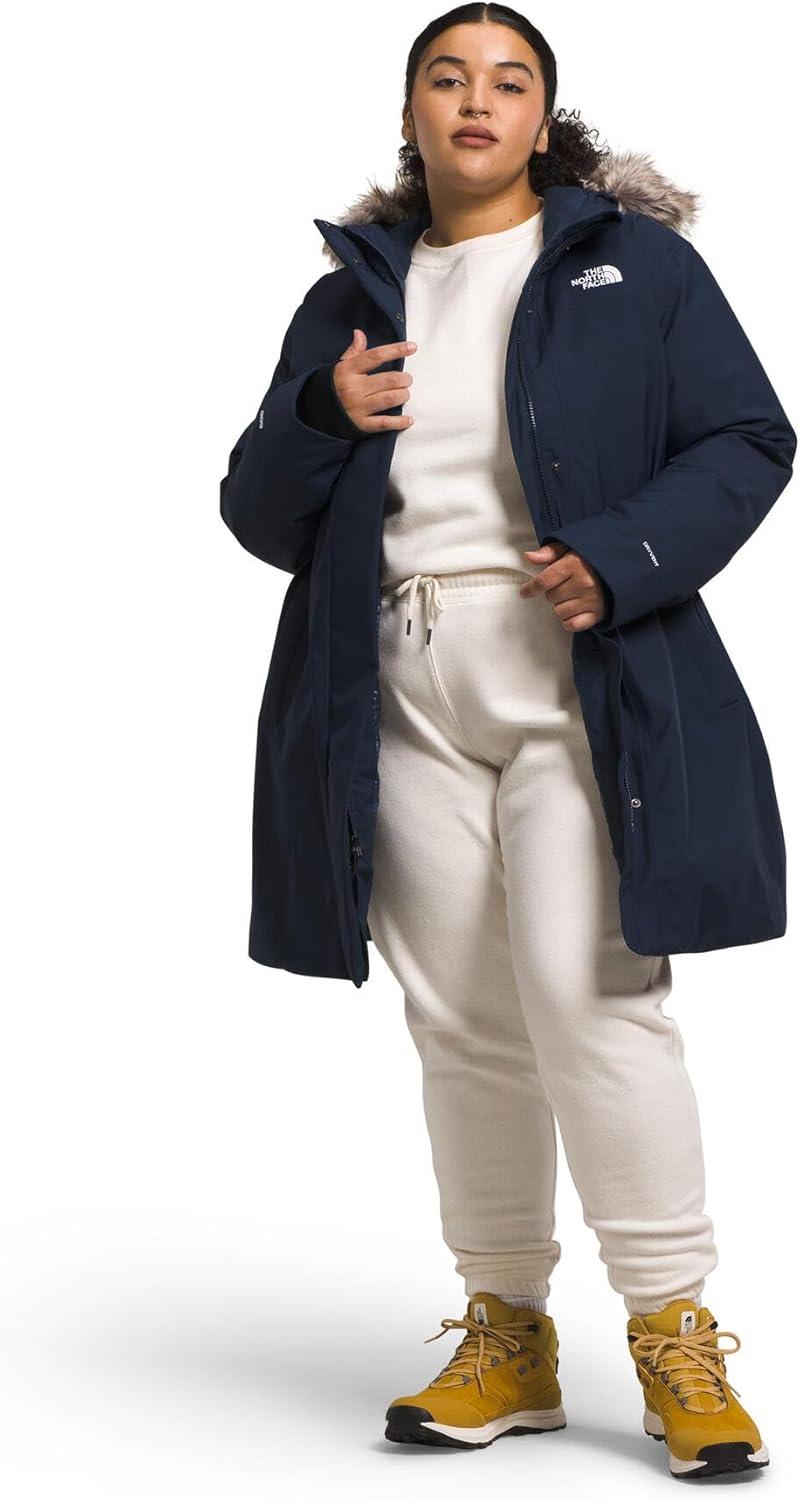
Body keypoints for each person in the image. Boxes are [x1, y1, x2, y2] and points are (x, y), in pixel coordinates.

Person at [220, 4, 795, 1478]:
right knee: (462, 1019)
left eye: (509, 80)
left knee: (589, 995)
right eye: (448, 76)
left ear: (545, 119)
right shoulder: (350, 295)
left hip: (572, 667)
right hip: (396, 681)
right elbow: (259, 515)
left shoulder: (635, 265)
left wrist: (624, 553)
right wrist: (320, 411)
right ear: (412, 110)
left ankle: (674, 1332)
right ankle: (508, 1331)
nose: (476, 100)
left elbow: (748, 436)